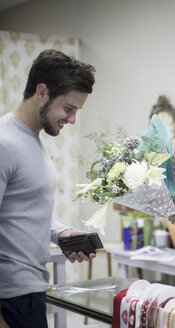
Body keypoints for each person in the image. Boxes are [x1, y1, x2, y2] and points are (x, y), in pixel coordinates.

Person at [0, 49, 97, 328]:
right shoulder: (4, 142)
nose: (72, 120)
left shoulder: (34, 140)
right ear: (42, 92)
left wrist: (62, 232)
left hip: (30, 293)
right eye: (69, 109)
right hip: (9, 301)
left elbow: (22, 209)